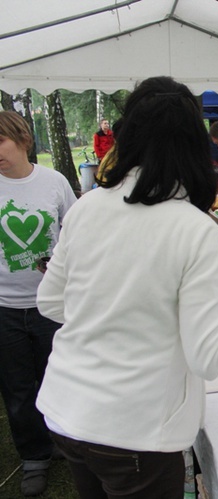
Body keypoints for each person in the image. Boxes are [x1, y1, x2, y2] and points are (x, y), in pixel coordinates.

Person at [35, 77, 218, 498]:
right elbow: (208, 356)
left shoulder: (88, 206)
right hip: (135, 431)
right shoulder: (192, 228)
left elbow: (51, 300)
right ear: (192, 147)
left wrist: (113, 312)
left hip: (66, 410)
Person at [0, 110, 77, 496]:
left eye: (1, 141)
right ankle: (34, 457)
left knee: (59, 375)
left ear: (23, 140)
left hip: (52, 305)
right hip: (4, 307)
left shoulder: (54, 182)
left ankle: (65, 440)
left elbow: (75, 234)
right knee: (16, 386)